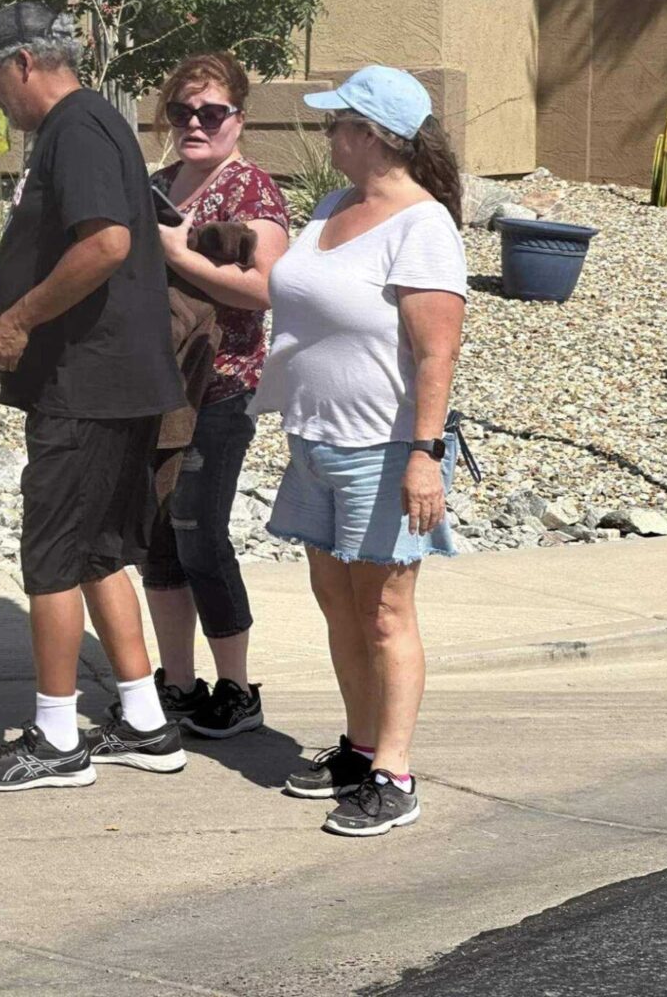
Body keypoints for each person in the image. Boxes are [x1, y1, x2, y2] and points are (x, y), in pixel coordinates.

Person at [0, 3, 187, 791]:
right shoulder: (93, 124)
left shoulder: (77, 128)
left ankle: (54, 740)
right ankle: (146, 721)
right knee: (96, 552)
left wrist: (16, 322)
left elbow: (108, 242)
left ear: (23, 63)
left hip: (87, 384)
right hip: (111, 381)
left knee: (50, 557)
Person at [251, 65, 467, 836]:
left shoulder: (422, 225)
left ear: (372, 135)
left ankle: (395, 775)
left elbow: (436, 354)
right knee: (337, 604)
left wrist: (425, 455)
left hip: (382, 450)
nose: (327, 134)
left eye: (337, 122)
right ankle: (360, 745)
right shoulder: (333, 206)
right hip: (314, 441)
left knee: (385, 614)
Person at [144, 51, 290, 739]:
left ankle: (235, 687)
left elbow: (268, 288)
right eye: (182, 112)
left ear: (238, 118)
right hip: (157, 384)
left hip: (223, 385)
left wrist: (178, 256)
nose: (195, 125)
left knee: (201, 532)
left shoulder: (253, 192)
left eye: (211, 113)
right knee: (158, 538)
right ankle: (176, 683)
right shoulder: (160, 184)